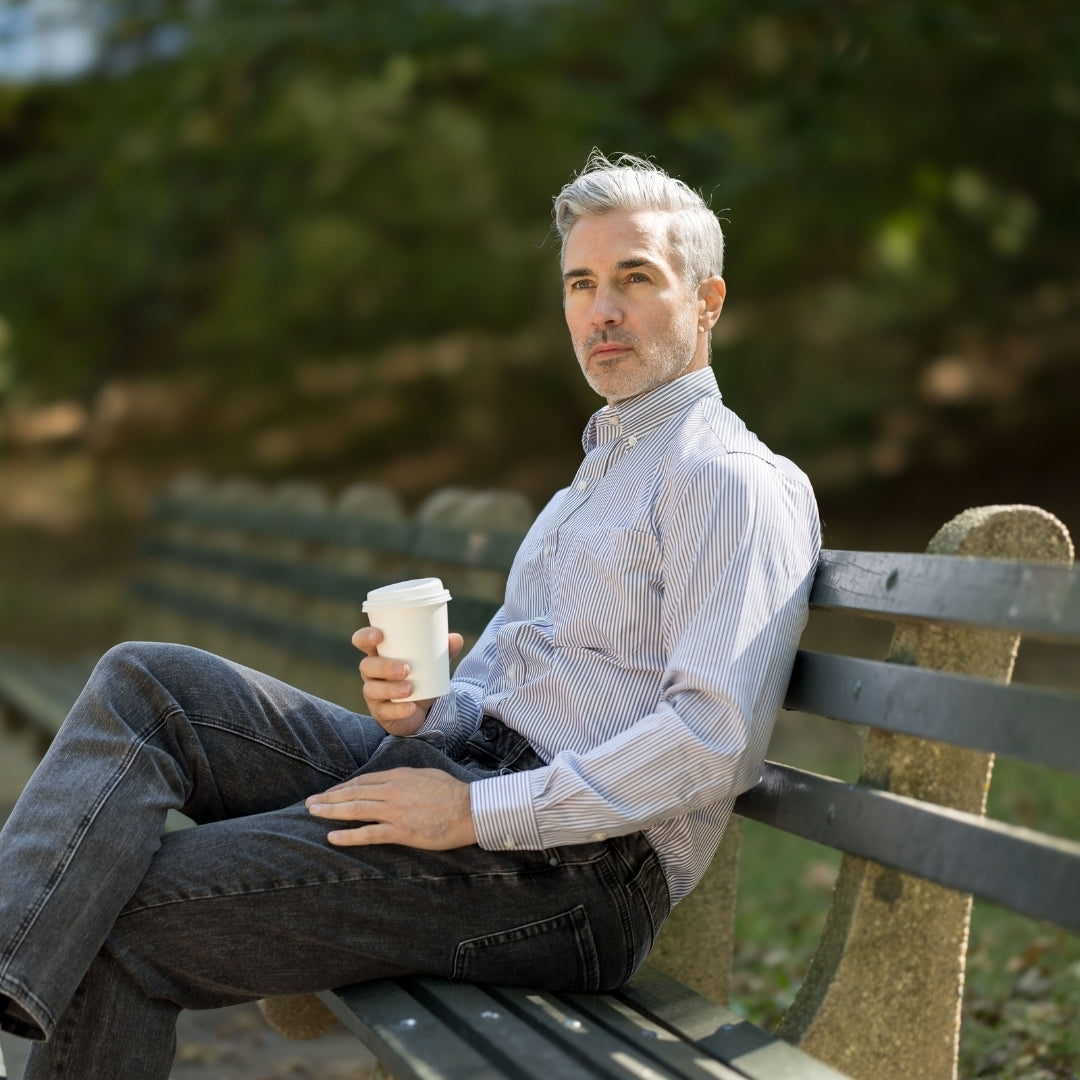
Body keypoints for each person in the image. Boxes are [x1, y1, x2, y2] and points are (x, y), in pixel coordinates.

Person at [0, 151, 820, 1079]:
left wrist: (477, 810)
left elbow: (716, 740)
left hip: (577, 874)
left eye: (635, 279)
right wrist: (427, 710)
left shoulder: (727, 479)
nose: (601, 310)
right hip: (467, 782)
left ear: (707, 300)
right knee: (147, 684)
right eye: (580, 283)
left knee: (118, 914)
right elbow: (503, 684)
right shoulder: (594, 477)